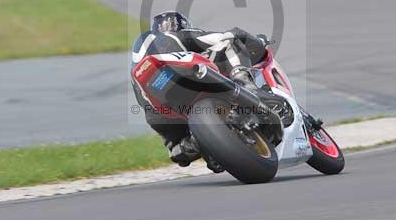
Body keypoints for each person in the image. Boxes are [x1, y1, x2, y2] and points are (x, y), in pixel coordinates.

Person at [130, 11, 323, 168]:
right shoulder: (179, 35)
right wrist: (250, 39)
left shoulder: (141, 70)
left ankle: (200, 144)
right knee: (230, 42)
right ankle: (247, 85)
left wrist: (198, 145)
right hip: (187, 75)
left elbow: (178, 157)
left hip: (157, 108)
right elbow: (223, 37)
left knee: (178, 149)